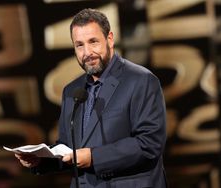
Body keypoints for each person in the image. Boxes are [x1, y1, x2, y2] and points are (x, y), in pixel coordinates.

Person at [15, 8, 167, 188]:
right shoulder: (72, 91)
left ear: (110, 39)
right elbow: (69, 149)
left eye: (93, 42)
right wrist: (40, 160)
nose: (87, 52)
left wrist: (93, 157)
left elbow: (148, 144)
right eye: (79, 45)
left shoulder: (141, 80)